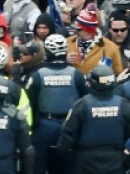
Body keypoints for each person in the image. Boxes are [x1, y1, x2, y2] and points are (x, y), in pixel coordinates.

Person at [58, 65, 130, 174]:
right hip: (116, 159)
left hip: (85, 160)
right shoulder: (124, 105)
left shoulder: (81, 105)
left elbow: (68, 133)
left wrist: (63, 154)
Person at [26, 33, 87, 174]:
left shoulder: (38, 75)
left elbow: (30, 102)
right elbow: (86, 100)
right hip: (70, 125)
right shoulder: (76, 74)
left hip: (44, 125)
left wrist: (33, 126)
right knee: (68, 167)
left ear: (47, 52)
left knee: (39, 166)